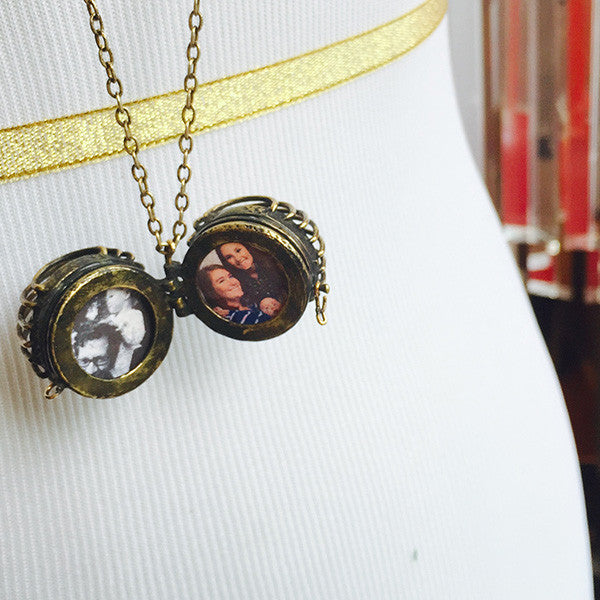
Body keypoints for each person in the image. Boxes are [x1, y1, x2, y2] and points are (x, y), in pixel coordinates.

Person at [216, 242, 287, 307]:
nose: (237, 258)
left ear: (247, 248)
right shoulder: (235, 283)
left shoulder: (275, 263)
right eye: (229, 257)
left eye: (238, 251)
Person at [196, 264, 271, 324]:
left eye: (230, 276)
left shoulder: (251, 304)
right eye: (221, 281)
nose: (233, 282)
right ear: (211, 293)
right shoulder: (234, 319)